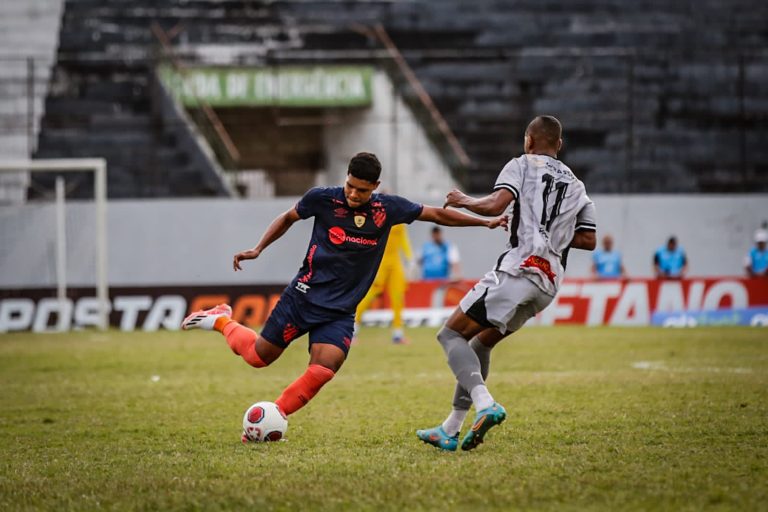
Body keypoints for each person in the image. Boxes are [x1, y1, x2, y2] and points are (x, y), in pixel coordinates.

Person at [181, 152, 506, 437]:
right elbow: (288, 218)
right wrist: (257, 248)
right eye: (350, 185)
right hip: (302, 298)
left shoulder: (387, 209)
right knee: (257, 357)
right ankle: (221, 320)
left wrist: (486, 222)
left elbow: (436, 214)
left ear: (375, 187)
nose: (353, 193)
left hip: (340, 311)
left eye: (362, 190)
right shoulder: (322, 199)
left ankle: (273, 416)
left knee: (324, 368)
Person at [416, 115, 596, 452]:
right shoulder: (578, 186)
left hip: (518, 270)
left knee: (451, 334)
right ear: (559, 145)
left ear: (528, 140)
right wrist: (551, 230)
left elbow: (496, 203)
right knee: (480, 344)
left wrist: (463, 199)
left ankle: (486, 405)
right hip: (548, 285)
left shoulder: (521, 164)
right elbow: (588, 239)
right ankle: (450, 429)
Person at [354, 223, 413, 344]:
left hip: (395, 263)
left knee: (398, 297)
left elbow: (403, 238)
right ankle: (352, 330)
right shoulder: (380, 217)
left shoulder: (400, 218)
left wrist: (409, 257)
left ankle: (397, 334)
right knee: (369, 294)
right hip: (381, 261)